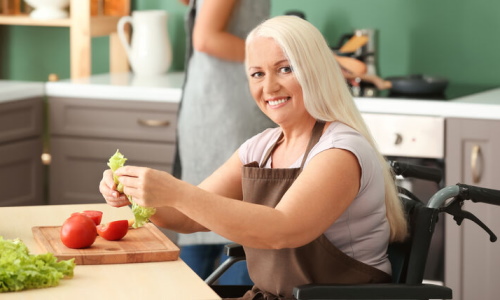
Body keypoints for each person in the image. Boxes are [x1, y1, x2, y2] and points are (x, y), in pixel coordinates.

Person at [100, 15, 408, 299]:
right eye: (257, 73)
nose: (269, 86)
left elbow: (282, 230)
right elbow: (186, 217)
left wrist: (177, 191)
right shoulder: (261, 147)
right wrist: (136, 192)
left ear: (315, 70)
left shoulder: (339, 151)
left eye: (285, 69)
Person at [174, 0, 275, 285]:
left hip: (214, 105)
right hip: (228, 109)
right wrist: (284, 59)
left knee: (204, 222)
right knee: (239, 228)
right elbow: (206, 38)